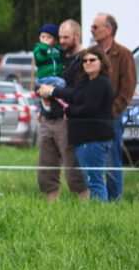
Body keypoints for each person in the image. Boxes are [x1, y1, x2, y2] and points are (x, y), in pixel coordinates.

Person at [40, 46, 114, 201]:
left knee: (94, 182)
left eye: (92, 60)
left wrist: (70, 111)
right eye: (85, 60)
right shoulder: (88, 82)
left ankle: (100, 217)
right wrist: (54, 92)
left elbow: (90, 108)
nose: (87, 63)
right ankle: (98, 215)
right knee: (93, 180)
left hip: (93, 139)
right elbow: (75, 96)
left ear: (102, 62)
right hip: (86, 138)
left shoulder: (100, 82)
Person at [36, 20, 89, 202]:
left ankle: (87, 210)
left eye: (66, 37)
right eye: (60, 37)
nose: (62, 41)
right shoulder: (57, 57)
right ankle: (52, 212)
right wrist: (44, 100)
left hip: (68, 121)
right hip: (47, 117)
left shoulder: (86, 59)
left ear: (77, 36)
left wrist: (52, 91)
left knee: (74, 168)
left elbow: (78, 93)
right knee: (46, 167)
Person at [89, 13, 137, 201]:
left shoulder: (124, 54)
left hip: (111, 118)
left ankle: (113, 204)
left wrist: (111, 111)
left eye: (95, 27)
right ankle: (95, 201)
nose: (91, 30)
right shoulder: (90, 53)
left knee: (111, 160)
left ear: (109, 30)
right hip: (90, 117)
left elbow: (128, 89)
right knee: (91, 160)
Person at [33, 23, 65, 98]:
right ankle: (60, 97)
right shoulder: (39, 49)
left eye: (49, 37)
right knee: (62, 83)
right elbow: (39, 59)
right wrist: (45, 46)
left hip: (55, 76)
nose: (45, 39)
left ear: (55, 40)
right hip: (44, 77)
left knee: (46, 95)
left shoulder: (57, 49)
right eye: (43, 37)